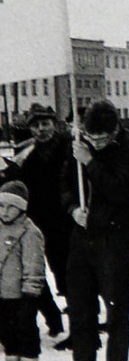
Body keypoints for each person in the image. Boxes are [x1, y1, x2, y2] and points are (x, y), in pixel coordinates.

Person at [44, 100, 129, 361]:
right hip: (82, 234)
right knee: (80, 306)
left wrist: (91, 162)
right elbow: (64, 184)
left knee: (116, 308)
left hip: (116, 236)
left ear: (115, 130)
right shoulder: (79, 144)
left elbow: (121, 190)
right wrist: (73, 209)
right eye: (92, 137)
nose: (97, 142)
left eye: (103, 138)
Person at [14, 104, 68, 339]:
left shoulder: (68, 149)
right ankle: (58, 320)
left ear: (54, 124)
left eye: (45, 124)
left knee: (72, 273)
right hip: (42, 224)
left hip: (68, 221)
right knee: (49, 270)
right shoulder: (30, 157)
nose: (41, 129)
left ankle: (84, 323)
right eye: (36, 126)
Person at [0, 181, 46, 361]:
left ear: (21, 208)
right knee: (6, 333)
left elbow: (34, 266)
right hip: (3, 294)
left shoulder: (29, 232)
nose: (5, 211)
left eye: (11, 207)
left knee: (25, 333)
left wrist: (31, 294)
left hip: (21, 295)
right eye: (1, 206)